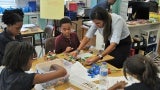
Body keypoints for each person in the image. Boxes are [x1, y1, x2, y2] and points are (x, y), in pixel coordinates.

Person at [0, 41, 67, 90]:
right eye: (31, 59)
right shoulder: (26, 78)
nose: (32, 61)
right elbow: (63, 72)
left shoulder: (4, 70)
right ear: (24, 60)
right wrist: (53, 64)